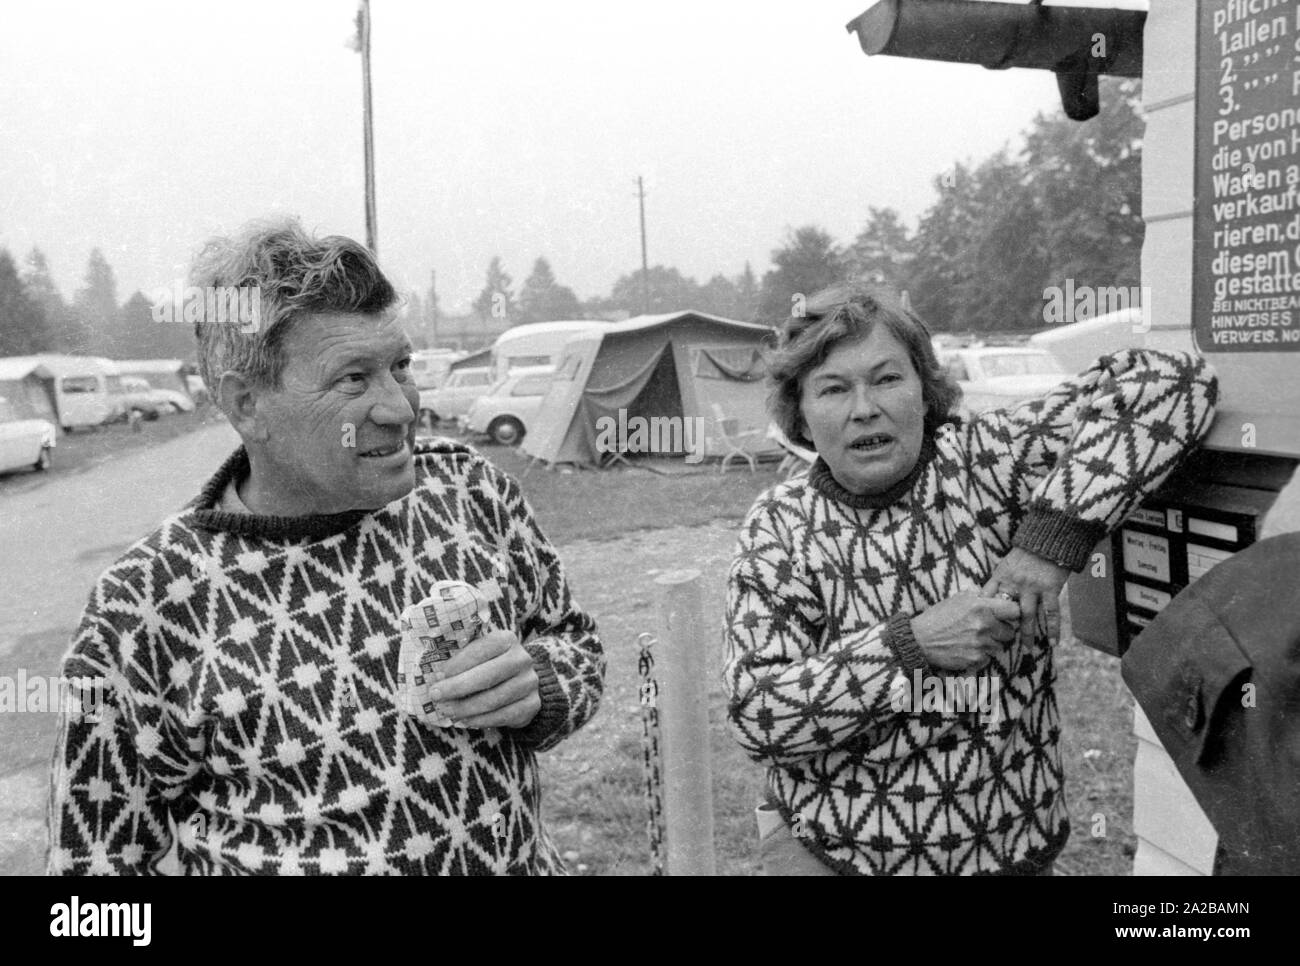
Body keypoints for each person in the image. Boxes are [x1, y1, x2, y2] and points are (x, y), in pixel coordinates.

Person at [46, 218, 605, 875]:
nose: (401, 408)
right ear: (247, 404)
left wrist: (541, 684)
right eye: (353, 381)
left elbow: (576, 641)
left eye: (400, 366)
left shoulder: (468, 488)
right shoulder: (145, 606)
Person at [724, 282, 1218, 875]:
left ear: (925, 391)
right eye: (833, 389)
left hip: (1009, 847)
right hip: (836, 852)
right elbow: (758, 717)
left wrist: (1046, 544)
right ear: (799, 415)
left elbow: (1176, 384)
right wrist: (912, 646)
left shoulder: (988, 460)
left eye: (886, 379)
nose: (864, 408)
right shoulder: (780, 526)